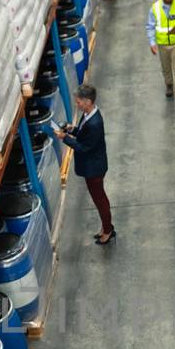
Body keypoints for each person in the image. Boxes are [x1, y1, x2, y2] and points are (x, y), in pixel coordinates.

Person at [54, 83, 115, 246]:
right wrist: (71, 129)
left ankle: (108, 231)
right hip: (93, 164)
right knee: (99, 198)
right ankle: (106, 226)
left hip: (94, 168)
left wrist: (64, 138)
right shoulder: (89, 115)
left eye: (79, 102)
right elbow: (82, 132)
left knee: (99, 199)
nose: (77, 104)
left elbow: (84, 148)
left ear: (88, 101)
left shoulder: (95, 123)